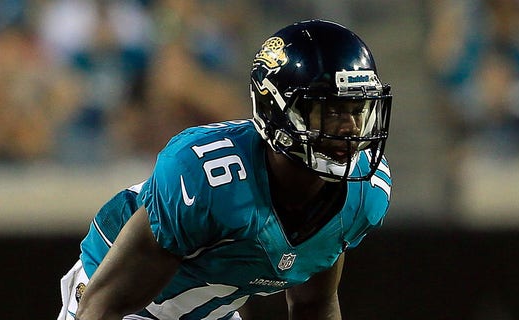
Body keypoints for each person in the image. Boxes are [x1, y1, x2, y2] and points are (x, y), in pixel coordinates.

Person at [57, 19, 393, 320]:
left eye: (358, 109)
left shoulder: (362, 193)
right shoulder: (208, 177)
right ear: (274, 108)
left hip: (208, 311)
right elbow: (102, 305)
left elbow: (314, 305)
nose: (350, 127)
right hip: (129, 300)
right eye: (330, 111)